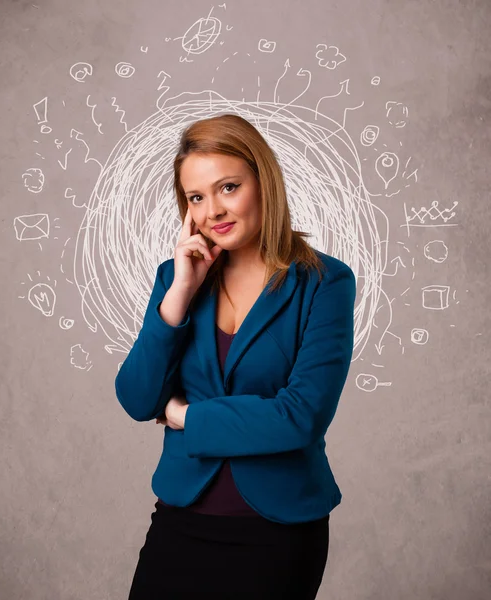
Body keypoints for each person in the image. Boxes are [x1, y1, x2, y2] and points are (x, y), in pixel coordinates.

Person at [114, 114, 356, 599]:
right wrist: (182, 290)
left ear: (263, 180)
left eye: (228, 187)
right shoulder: (175, 279)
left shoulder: (325, 283)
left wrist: (185, 415)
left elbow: (298, 417)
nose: (212, 211)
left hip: (279, 532)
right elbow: (138, 399)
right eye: (196, 197)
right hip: (181, 519)